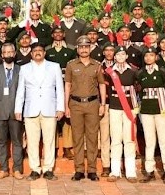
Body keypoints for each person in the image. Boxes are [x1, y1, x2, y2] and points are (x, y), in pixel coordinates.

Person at [14, 42, 65, 180]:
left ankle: (48, 169)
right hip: (31, 109)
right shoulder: (24, 69)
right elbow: (21, 90)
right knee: (32, 141)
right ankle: (35, 169)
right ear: (31, 53)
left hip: (49, 108)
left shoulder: (54, 67)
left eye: (40, 50)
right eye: (35, 50)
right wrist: (18, 108)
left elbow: (60, 89)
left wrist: (60, 108)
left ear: (44, 53)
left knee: (49, 140)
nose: (38, 52)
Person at [64, 35, 106, 181]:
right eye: (81, 47)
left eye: (86, 47)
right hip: (75, 104)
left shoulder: (97, 65)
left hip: (92, 104)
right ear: (77, 48)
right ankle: (79, 169)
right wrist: (66, 106)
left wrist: (102, 104)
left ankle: (93, 169)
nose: (83, 49)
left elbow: (101, 84)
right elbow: (67, 85)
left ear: (90, 48)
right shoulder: (71, 65)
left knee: (92, 137)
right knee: (77, 137)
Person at [136, 46, 165, 183]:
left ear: (156, 57)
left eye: (151, 55)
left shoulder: (163, 72)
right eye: (146, 56)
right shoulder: (140, 73)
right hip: (146, 110)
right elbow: (139, 91)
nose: (148, 58)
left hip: (161, 110)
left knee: (164, 141)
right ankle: (149, 171)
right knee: (149, 141)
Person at [0, 42, 24, 179]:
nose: (8, 54)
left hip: (16, 111)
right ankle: (3, 169)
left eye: (10, 52)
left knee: (17, 141)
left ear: (14, 54)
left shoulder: (21, 70)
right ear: (2, 55)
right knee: (1, 142)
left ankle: (17, 169)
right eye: (5, 52)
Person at [105, 46, 139, 182]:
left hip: (129, 109)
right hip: (114, 107)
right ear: (114, 56)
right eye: (117, 54)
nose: (120, 57)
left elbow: (137, 90)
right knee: (116, 138)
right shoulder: (108, 72)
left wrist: (136, 109)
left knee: (129, 139)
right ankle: (115, 171)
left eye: (122, 54)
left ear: (126, 56)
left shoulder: (133, 71)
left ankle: (131, 172)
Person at [45, 19, 77, 160]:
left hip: (66, 84)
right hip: (50, 86)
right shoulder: (47, 50)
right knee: (52, 115)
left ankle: (67, 147)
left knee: (66, 116)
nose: (58, 34)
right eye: (55, 32)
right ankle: (55, 146)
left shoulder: (70, 50)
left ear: (64, 34)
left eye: (60, 32)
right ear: (52, 35)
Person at [98, 42, 116, 176]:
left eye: (112, 50)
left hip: (118, 104)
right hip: (103, 103)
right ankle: (106, 165)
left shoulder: (120, 66)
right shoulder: (98, 67)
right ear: (103, 52)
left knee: (116, 135)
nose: (109, 53)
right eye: (107, 50)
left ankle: (116, 164)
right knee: (104, 135)